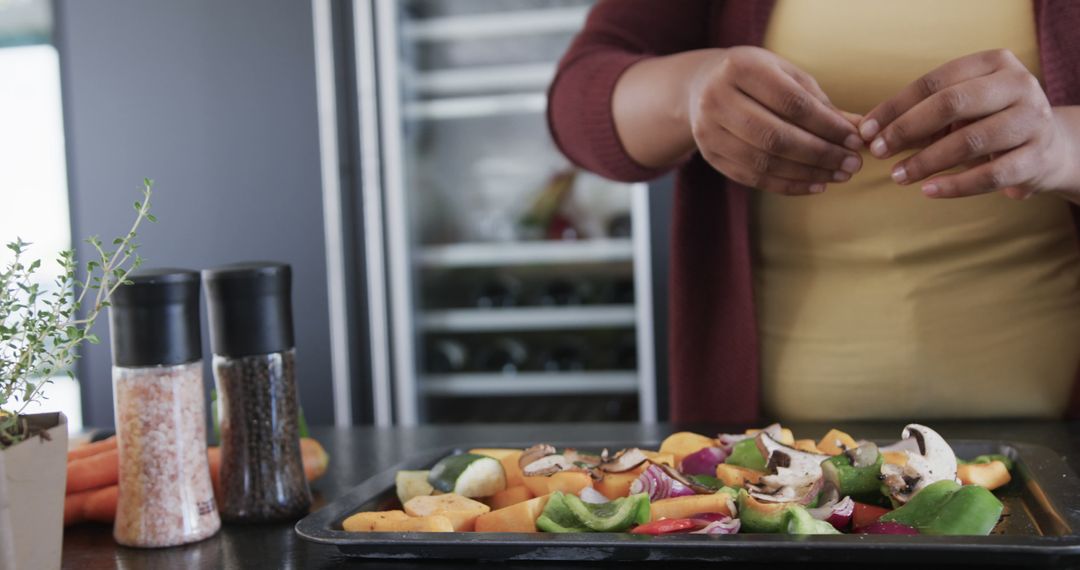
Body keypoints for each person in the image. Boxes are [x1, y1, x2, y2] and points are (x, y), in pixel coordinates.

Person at [548, 0, 1080, 423]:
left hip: (1058, 453)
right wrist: (689, 92)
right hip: (775, 457)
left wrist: (1061, 145)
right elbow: (578, 101)